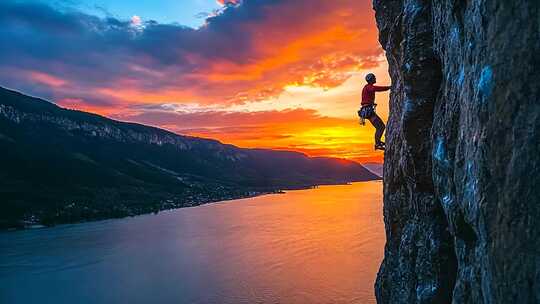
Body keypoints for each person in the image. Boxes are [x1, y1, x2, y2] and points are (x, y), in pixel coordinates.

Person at [359, 73, 391, 150]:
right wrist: (388, 88)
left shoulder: (367, 87)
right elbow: (375, 89)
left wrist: (371, 102)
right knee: (380, 127)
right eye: (374, 78)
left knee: (380, 127)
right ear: (370, 80)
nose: (375, 79)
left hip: (367, 111)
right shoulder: (368, 87)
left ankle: (378, 142)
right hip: (368, 111)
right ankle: (377, 143)